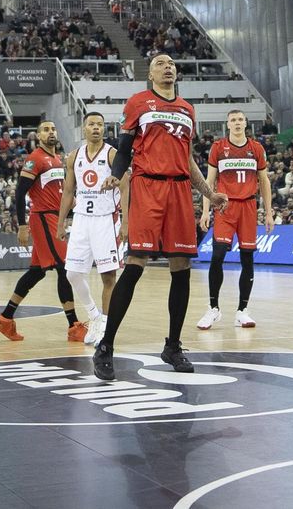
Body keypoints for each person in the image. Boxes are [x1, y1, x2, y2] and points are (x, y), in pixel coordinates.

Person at [93, 54, 227, 381]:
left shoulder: (187, 109)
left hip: (179, 191)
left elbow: (188, 159)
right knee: (135, 263)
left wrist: (208, 194)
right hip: (147, 186)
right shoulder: (138, 102)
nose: (167, 66)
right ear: (150, 74)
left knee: (181, 268)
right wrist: (116, 174)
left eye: (171, 63)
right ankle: (106, 346)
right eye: (159, 63)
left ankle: (173, 346)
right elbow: (124, 148)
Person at [0, 121, 85, 342]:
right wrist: (22, 225)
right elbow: (20, 193)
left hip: (55, 216)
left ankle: (5, 319)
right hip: (43, 218)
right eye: (45, 129)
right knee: (64, 268)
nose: (51, 132)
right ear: (38, 136)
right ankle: (74, 325)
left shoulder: (57, 159)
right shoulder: (35, 159)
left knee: (37, 271)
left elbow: (58, 193)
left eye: (53, 129)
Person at [196, 110, 273, 330]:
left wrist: (268, 212)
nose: (237, 123)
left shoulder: (256, 149)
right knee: (218, 255)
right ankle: (213, 309)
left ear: (246, 123)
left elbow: (264, 182)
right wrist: (205, 211)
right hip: (225, 207)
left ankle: (242, 310)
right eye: (233, 120)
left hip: (248, 207)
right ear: (227, 124)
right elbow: (208, 182)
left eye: (240, 119)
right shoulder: (218, 148)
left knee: (247, 258)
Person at [57, 111, 126, 347]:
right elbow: (68, 192)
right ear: (83, 129)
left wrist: (126, 222)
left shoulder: (113, 154)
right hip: (81, 220)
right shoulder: (73, 156)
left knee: (108, 276)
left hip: (105, 219)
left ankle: (106, 327)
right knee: (72, 274)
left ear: (104, 129)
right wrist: (61, 222)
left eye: (100, 124)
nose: (96, 128)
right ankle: (94, 315)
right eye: (91, 124)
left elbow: (126, 188)